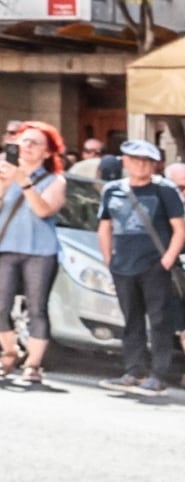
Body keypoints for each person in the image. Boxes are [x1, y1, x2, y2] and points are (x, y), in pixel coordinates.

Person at [95, 141, 185, 396]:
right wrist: (108, 259)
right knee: (131, 320)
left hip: (153, 264)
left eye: (146, 161)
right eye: (134, 159)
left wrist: (167, 260)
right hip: (123, 265)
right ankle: (134, 369)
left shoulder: (164, 190)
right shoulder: (112, 190)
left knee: (159, 320)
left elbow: (179, 229)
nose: (140, 165)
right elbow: (105, 226)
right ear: (125, 161)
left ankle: (159, 373)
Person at [0, 119, 67, 390]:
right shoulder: (5, 173)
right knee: (1, 306)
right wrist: (6, 182)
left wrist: (24, 182)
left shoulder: (55, 180)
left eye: (34, 142)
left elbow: (43, 210)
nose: (26, 146)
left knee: (37, 307)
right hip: (6, 247)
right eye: (23, 141)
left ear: (47, 152)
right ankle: (9, 351)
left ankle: (34, 364)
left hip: (40, 251)